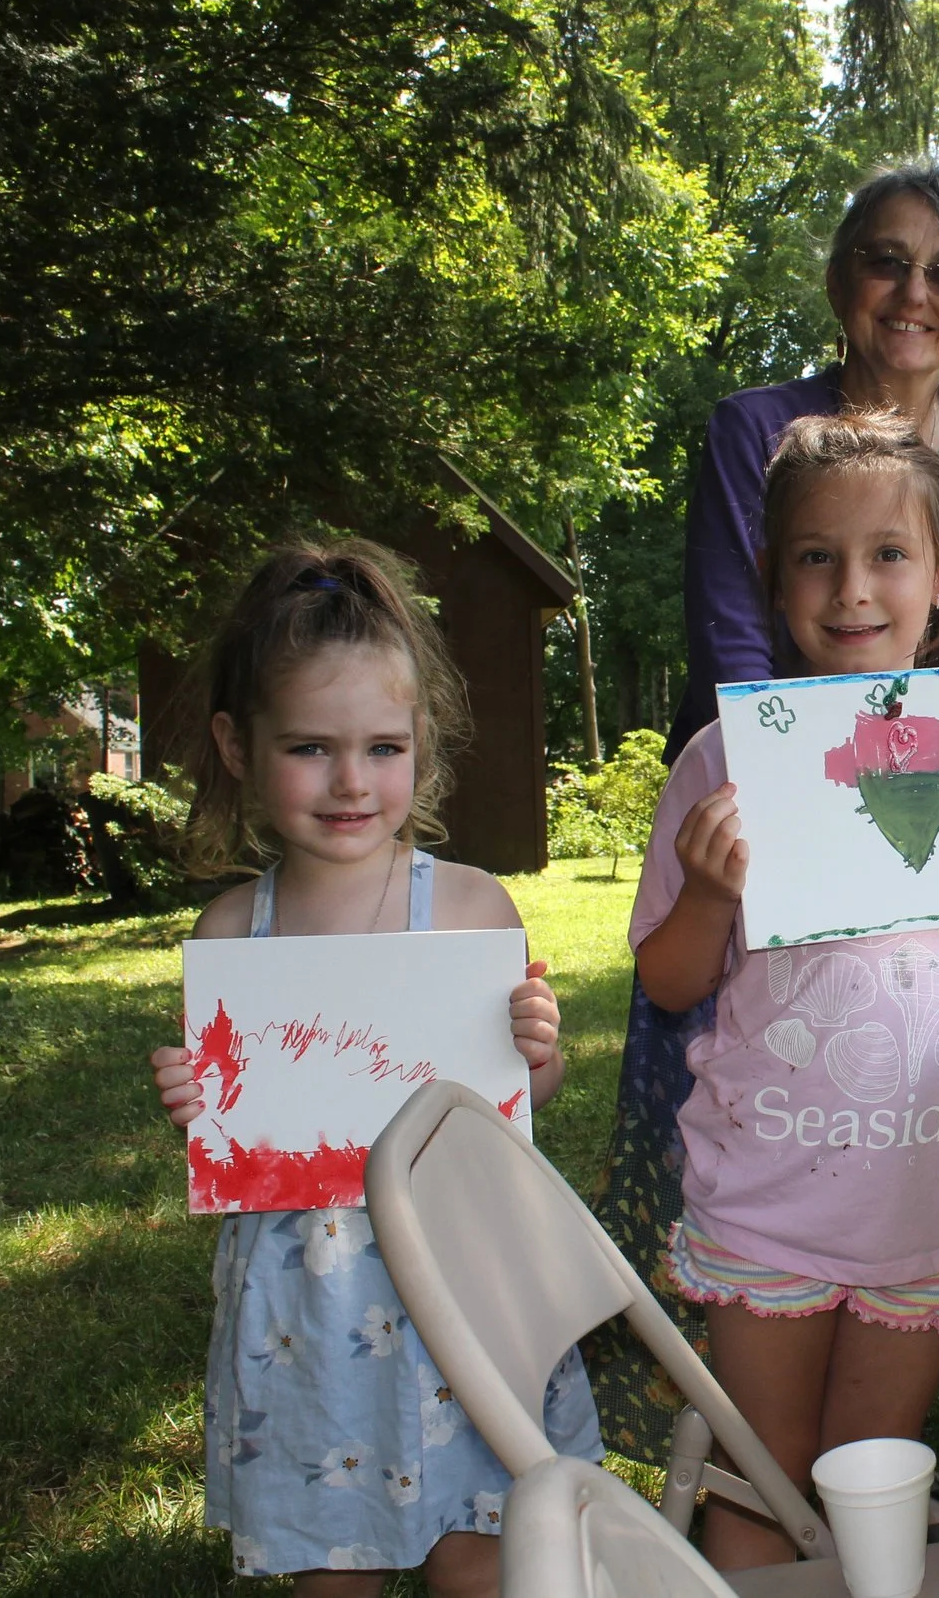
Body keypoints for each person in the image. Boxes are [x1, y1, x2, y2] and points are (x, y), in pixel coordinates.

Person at [630, 412, 939, 1570]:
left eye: (889, 553)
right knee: (761, 1479)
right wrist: (702, 892)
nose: (852, 587)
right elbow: (669, 974)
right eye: (816, 556)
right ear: (771, 577)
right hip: (766, 1193)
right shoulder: (724, 758)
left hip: (929, 1192)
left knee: (869, 1477)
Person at [145, 542, 598, 1594]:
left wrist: (538, 1053)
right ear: (237, 744)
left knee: (484, 1556)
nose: (351, 780)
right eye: (309, 746)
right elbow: (244, 1130)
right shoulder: (230, 934)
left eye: (382, 747)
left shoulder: (475, 908)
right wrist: (194, 1106)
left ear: (421, 746)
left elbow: (517, 1105)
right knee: (331, 1562)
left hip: (463, 1278)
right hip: (309, 1313)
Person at [669, 157, 939, 760]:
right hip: (768, 778)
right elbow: (732, 653)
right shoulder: (754, 430)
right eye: (886, 263)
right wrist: (788, 782)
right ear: (837, 282)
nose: (915, 293)